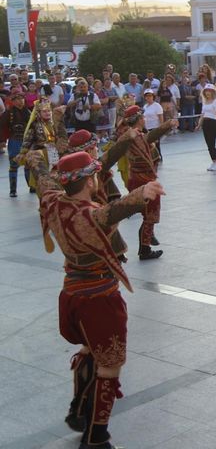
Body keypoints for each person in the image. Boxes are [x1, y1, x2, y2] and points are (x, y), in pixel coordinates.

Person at [26, 149, 165, 449]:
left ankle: (78, 411)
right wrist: (142, 192)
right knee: (109, 365)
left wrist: (35, 157)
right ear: (89, 181)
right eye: (94, 175)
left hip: (71, 294)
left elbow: (42, 176)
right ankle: (97, 437)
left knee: (90, 349)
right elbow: (113, 212)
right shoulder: (89, 215)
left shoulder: (52, 200)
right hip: (99, 299)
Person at [119, 105, 175, 260]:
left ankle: (147, 242)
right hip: (143, 180)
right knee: (150, 215)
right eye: (142, 117)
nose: (145, 119)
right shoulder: (131, 137)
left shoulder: (137, 135)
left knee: (148, 215)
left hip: (141, 178)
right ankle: (145, 248)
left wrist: (167, 125)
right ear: (138, 120)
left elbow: (151, 137)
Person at [1, 91, 30, 196]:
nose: (20, 101)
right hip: (14, 141)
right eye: (17, 99)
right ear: (13, 101)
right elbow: (2, 127)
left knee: (28, 164)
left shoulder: (28, 112)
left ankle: (31, 186)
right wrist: (2, 140)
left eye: (21, 99)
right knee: (13, 165)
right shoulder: (9, 113)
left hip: (27, 141)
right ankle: (13, 190)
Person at [196, 84, 216, 172]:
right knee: (208, 144)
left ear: (212, 92)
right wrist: (199, 125)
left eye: (209, 91)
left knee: (212, 144)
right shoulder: (205, 101)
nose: (208, 93)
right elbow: (202, 114)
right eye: (206, 91)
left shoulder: (215, 101)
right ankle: (214, 161)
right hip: (205, 122)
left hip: (212, 122)